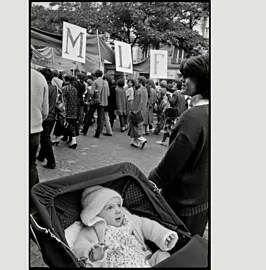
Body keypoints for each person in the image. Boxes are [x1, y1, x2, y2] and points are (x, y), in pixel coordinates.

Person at [148, 55, 210, 237]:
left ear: (202, 80)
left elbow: (170, 165)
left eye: (187, 76)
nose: (182, 80)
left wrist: (150, 181)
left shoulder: (192, 118)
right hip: (203, 200)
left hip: (181, 204)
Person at [73, 186, 178, 268]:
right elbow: (78, 247)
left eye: (119, 205)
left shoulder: (129, 220)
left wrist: (163, 235)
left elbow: (148, 226)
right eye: (110, 208)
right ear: (95, 213)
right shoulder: (92, 230)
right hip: (118, 265)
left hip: (145, 260)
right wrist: (92, 252)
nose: (118, 210)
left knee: (162, 254)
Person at [30, 49, 49, 189]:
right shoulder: (40, 78)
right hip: (34, 131)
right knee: (31, 166)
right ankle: (34, 201)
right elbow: (45, 111)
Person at [37, 68, 58, 169]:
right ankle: (41, 156)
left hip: (45, 116)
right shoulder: (54, 87)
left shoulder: (43, 87)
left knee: (45, 140)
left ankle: (51, 161)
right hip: (52, 115)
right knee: (45, 138)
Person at [82, 70, 110, 138]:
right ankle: (98, 134)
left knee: (89, 116)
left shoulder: (95, 82)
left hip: (95, 101)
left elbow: (91, 93)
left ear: (95, 75)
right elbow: (108, 94)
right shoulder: (106, 83)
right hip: (103, 102)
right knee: (100, 119)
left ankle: (84, 131)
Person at [58, 73, 80, 149]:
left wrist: (62, 110)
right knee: (72, 123)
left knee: (67, 124)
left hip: (67, 109)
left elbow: (63, 100)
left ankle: (73, 140)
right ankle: (71, 139)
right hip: (74, 109)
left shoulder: (64, 88)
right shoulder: (74, 88)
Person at [128, 76, 148, 149]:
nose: (136, 82)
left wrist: (133, 111)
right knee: (138, 126)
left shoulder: (139, 91)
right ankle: (135, 142)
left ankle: (141, 139)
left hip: (137, 111)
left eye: (137, 81)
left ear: (140, 82)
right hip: (143, 111)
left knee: (135, 126)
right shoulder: (145, 90)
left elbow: (137, 102)